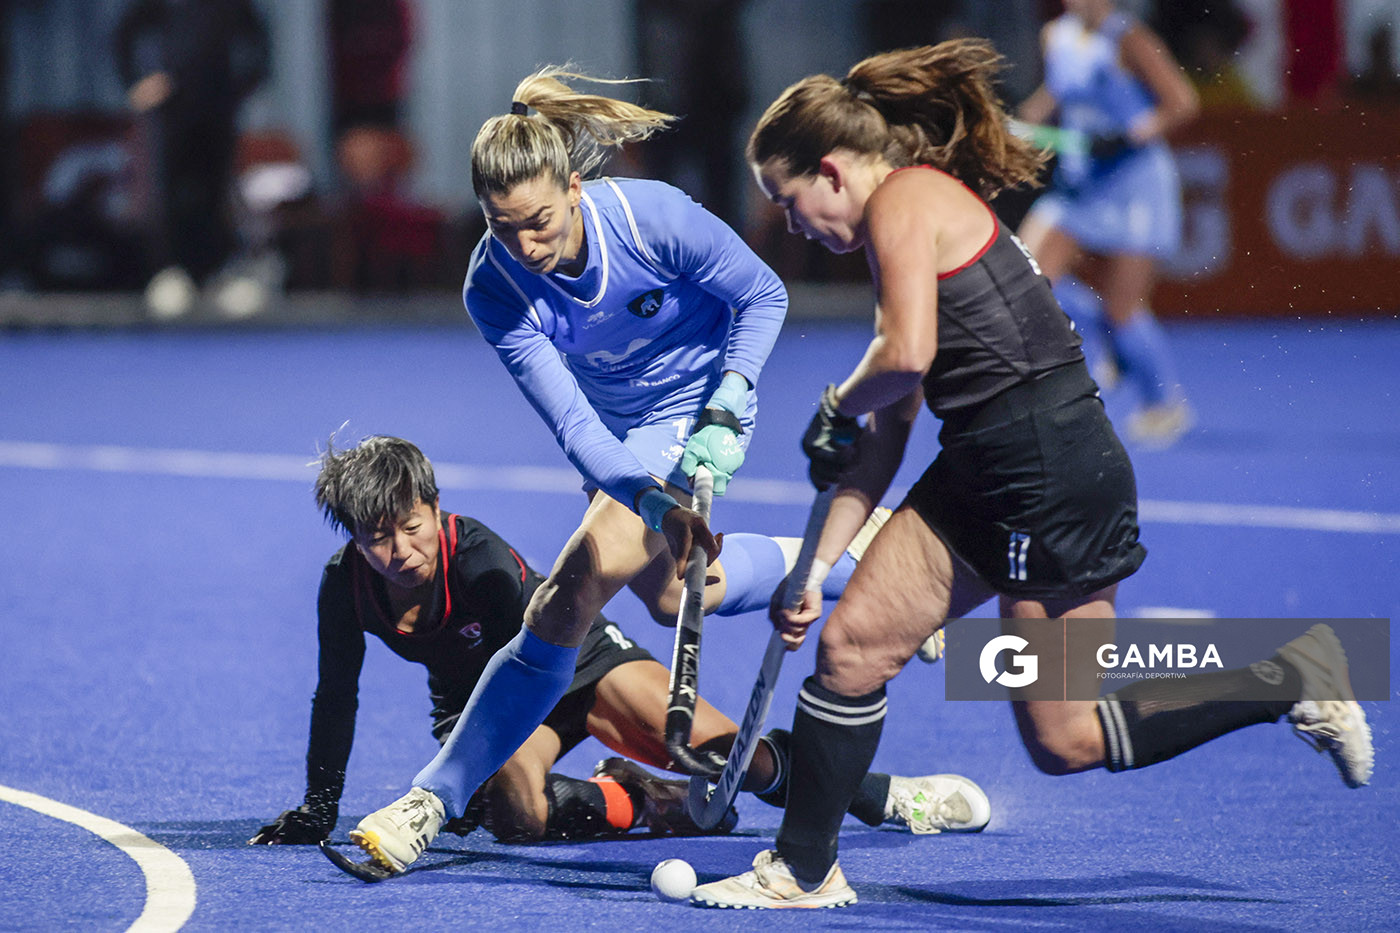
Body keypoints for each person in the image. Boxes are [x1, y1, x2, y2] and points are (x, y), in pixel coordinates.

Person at [690, 39, 1373, 910]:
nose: (791, 225)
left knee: (1062, 731)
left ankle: (1292, 675)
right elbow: (886, 440)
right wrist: (811, 571)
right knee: (880, 656)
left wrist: (836, 401)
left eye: (788, 201)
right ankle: (803, 870)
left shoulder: (905, 199)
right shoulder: (897, 235)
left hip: (1046, 478)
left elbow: (903, 359)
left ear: (829, 171)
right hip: (988, 470)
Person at [340, 67, 889, 874]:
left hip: (699, 405)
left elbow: (762, 295)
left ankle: (432, 798)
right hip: (617, 435)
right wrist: (645, 495)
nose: (525, 246)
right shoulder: (493, 287)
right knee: (678, 594)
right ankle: (860, 560)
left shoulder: (650, 217)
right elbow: (572, 423)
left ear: (575, 185)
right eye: (501, 227)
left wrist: (731, 399)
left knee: (569, 591)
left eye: (539, 221)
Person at [248, 436, 989, 847]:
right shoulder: (344, 584)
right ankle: (640, 796)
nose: (400, 548)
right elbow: (335, 691)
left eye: (411, 524)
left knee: (729, 757)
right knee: (517, 816)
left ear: (435, 507)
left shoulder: (476, 561)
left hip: (575, 666)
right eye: (378, 538)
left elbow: (535, 667)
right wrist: (320, 805)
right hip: (488, 705)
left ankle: (886, 797)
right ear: (354, 539)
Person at [1014, 0, 1200, 446]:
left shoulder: (1131, 39)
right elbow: (1059, 91)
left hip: (1136, 184)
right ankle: (1111, 337)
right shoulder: (1054, 36)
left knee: (1125, 308)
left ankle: (1163, 405)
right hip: (1081, 182)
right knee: (1024, 277)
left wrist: (1126, 136)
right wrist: (1027, 119)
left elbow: (1182, 103)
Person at [113, 0, 270, 320]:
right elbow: (126, 32)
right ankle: (171, 274)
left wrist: (243, 85)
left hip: (219, 108)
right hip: (174, 109)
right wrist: (136, 82)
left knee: (216, 192)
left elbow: (260, 42)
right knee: (169, 192)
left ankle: (216, 275)